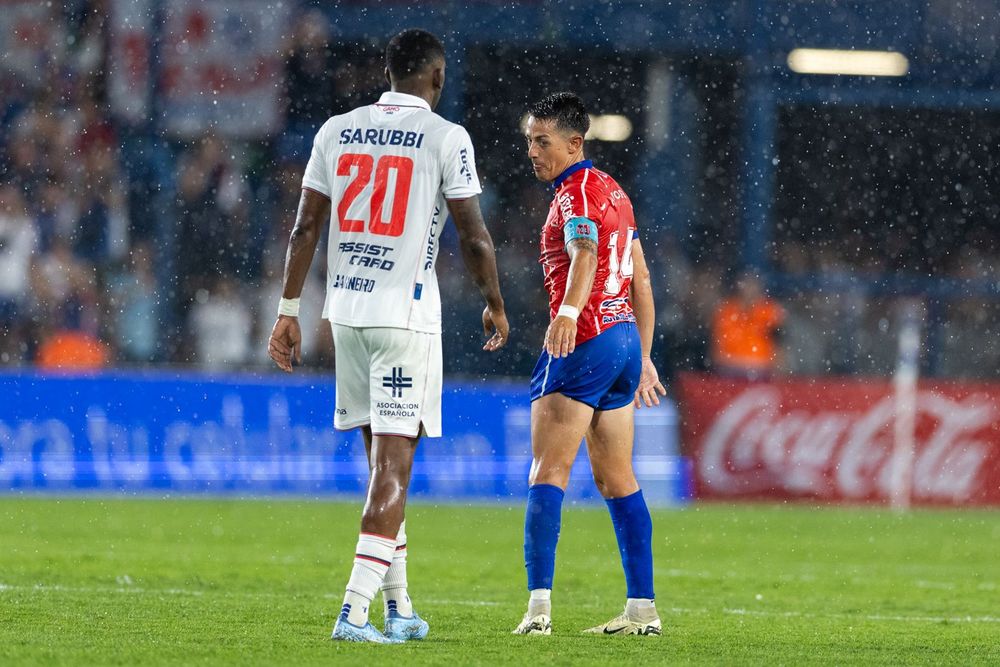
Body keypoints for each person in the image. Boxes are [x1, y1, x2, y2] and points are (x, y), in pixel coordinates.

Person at [267, 28, 508, 644]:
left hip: (345, 317)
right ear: (437, 76)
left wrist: (288, 309)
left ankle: (399, 606)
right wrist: (494, 303)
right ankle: (353, 612)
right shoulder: (446, 137)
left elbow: (304, 229)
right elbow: (474, 236)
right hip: (404, 320)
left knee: (381, 466)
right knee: (395, 471)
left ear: (389, 71)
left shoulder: (335, 130)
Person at [513, 92, 665, 637]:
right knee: (617, 478)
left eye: (542, 141)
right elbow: (642, 279)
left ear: (574, 143)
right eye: (529, 139)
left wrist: (570, 311)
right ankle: (642, 611)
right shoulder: (615, 192)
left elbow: (586, 255)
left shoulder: (575, 192)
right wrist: (643, 355)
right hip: (623, 340)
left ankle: (537, 612)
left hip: (587, 338)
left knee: (548, 470)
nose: (531, 150)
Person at [710, 271, 784, 379]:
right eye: (747, 284)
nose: (749, 289)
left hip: (761, 369)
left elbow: (779, 343)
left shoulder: (769, 311)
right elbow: (716, 342)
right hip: (729, 368)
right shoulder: (726, 310)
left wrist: (778, 370)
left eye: (753, 285)